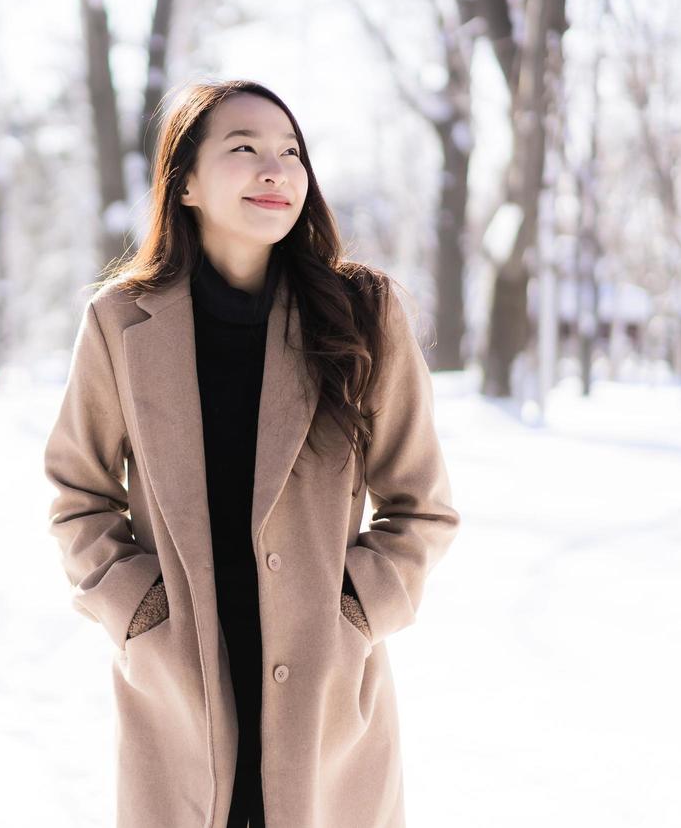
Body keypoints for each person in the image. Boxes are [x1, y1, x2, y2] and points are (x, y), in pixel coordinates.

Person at [44, 79, 460, 827]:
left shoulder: (365, 312)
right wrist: (137, 611)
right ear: (188, 183)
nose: (276, 170)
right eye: (245, 150)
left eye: (290, 152)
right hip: (178, 686)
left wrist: (359, 610)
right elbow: (79, 493)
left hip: (328, 697)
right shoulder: (119, 323)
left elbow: (421, 507)